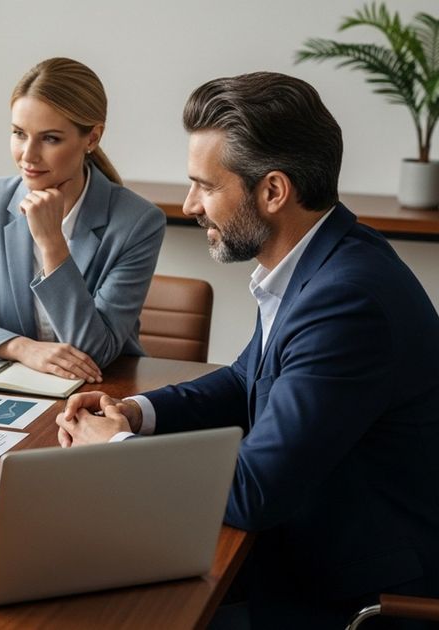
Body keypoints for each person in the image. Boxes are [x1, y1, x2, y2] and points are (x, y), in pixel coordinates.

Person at [59, 72, 439, 627]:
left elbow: (254, 492)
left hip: (350, 597)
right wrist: (138, 415)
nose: (190, 204)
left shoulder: (345, 301)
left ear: (273, 191)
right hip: (301, 553)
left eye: (206, 186)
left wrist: (114, 448)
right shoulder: (323, 262)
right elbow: (244, 381)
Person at [0, 57, 165, 383]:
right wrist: (21, 348)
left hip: (104, 392)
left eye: (50, 138)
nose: (28, 154)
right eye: (19, 133)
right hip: (18, 387)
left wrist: (52, 244)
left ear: (91, 138)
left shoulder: (138, 222)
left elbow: (95, 352)